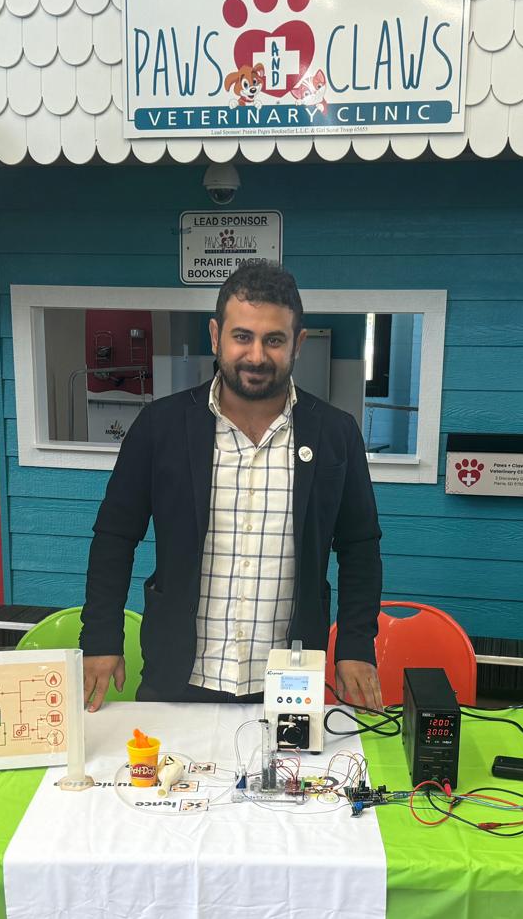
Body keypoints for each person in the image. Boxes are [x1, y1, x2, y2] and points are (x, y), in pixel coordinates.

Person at [80, 261, 383, 711]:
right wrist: (102, 636)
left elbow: (360, 546)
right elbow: (114, 537)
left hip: (289, 681)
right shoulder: (160, 427)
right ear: (215, 336)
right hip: (178, 676)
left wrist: (356, 644)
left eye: (274, 340)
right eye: (242, 336)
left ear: (298, 343)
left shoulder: (335, 434)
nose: (256, 356)